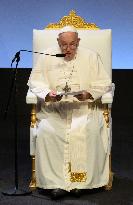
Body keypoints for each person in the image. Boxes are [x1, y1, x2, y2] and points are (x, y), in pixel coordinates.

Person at [28, 26, 111, 199]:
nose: (68, 49)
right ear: (58, 42)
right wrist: (47, 95)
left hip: (83, 108)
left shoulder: (91, 56)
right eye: (64, 45)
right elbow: (35, 82)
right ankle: (56, 183)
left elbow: (104, 83)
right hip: (55, 109)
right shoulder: (47, 56)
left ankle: (79, 183)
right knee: (47, 131)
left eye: (72, 45)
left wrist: (89, 94)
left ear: (78, 42)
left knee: (89, 129)